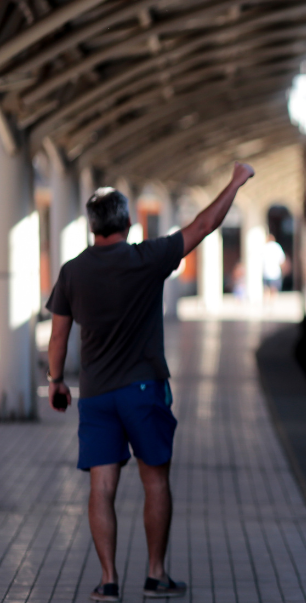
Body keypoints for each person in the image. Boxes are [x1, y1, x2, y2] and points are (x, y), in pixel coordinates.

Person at [46, 162, 256, 601]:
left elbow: (59, 336)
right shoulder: (147, 258)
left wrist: (55, 383)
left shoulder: (72, 271)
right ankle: (155, 575)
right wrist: (235, 181)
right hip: (143, 390)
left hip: (97, 396)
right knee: (155, 480)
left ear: (92, 226)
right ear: (127, 221)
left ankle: (108, 581)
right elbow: (204, 225)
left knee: (101, 486)